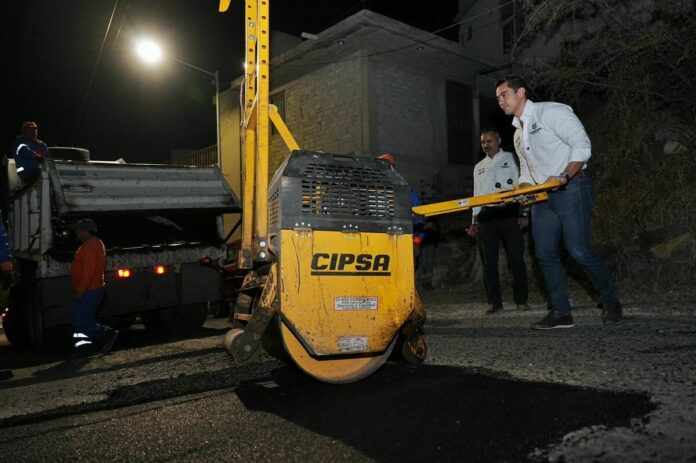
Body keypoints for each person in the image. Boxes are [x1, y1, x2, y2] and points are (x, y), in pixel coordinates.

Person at [495, 75, 622, 329]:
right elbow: (527, 174)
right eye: (498, 98)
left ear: (521, 92)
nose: (500, 101)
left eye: (504, 95)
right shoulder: (518, 134)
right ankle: (561, 313)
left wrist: (564, 175)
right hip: (542, 198)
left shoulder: (551, 112)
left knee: (578, 249)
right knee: (544, 253)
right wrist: (522, 191)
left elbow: (582, 146)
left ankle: (611, 302)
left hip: (572, 187)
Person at [467, 128, 529, 314]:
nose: (486, 145)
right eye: (483, 142)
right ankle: (495, 303)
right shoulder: (479, 167)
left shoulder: (512, 159)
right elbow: (476, 195)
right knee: (490, 262)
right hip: (487, 217)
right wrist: (474, 221)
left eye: (489, 141)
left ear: (499, 140)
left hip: (509, 213)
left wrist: (524, 213)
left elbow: (523, 186)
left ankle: (521, 300)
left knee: (516, 259)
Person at [70, 218, 118, 353]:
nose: (75, 232)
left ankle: (107, 334)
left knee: (79, 318)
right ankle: (84, 346)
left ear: (84, 231)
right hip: (91, 289)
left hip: (90, 289)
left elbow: (88, 271)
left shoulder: (91, 245)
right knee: (81, 318)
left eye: (78, 229)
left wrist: (81, 290)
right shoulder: (91, 243)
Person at [377, 153, 425, 257]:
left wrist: (416, 240)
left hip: (400, 237)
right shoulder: (368, 189)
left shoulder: (405, 190)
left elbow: (416, 216)